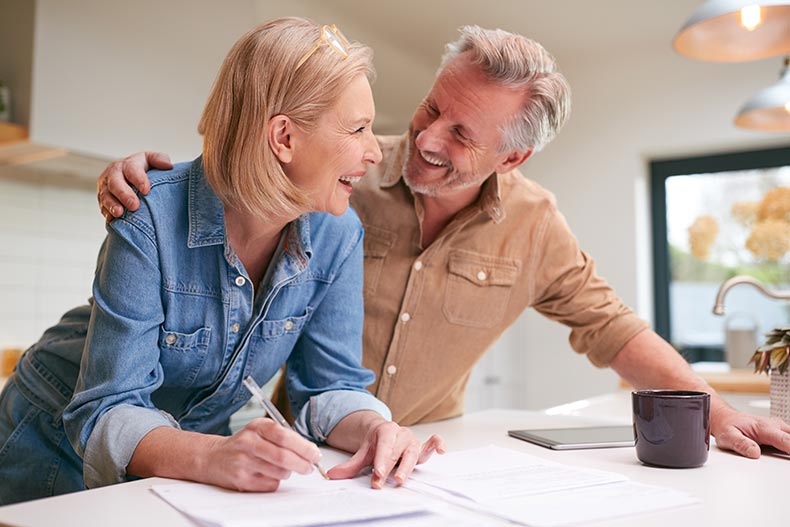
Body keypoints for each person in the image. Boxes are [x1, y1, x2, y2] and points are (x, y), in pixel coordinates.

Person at [98, 26, 790, 458]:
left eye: (463, 134)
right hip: (300, 448)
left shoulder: (534, 225)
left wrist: (715, 408)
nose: (426, 139)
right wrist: (157, 178)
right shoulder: (341, 181)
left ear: (511, 159)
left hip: (422, 449)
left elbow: (611, 327)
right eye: (434, 108)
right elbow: (241, 177)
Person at [0, 18, 444, 506]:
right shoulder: (149, 214)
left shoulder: (339, 235)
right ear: (284, 138)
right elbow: (108, 408)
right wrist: (214, 456)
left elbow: (330, 385)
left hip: (184, 466)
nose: (372, 152)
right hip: (51, 442)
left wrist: (376, 428)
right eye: (358, 129)